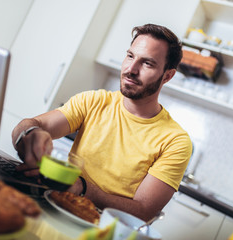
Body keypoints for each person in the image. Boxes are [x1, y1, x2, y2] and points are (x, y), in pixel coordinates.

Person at [12, 23, 192, 221]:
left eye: (147, 63)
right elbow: (31, 124)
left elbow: (143, 211)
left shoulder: (175, 141)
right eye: (130, 56)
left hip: (101, 226)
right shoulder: (94, 101)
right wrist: (29, 134)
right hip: (53, 204)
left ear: (167, 75)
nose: (131, 69)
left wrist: (82, 188)